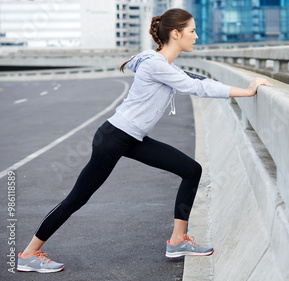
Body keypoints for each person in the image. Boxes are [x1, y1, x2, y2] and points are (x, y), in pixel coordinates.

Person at [17, 8, 272, 273]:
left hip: (131, 138)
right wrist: (247, 91)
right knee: (76, 199)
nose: (197, 36)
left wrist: (242, 87)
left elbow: (194, 79)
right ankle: (28, 254)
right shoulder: (155, 64)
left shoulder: (164, 64)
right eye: (192, 31)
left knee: (191, 170)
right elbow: (196, 87)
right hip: (113, 138)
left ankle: (177, 241)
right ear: (176, 34)